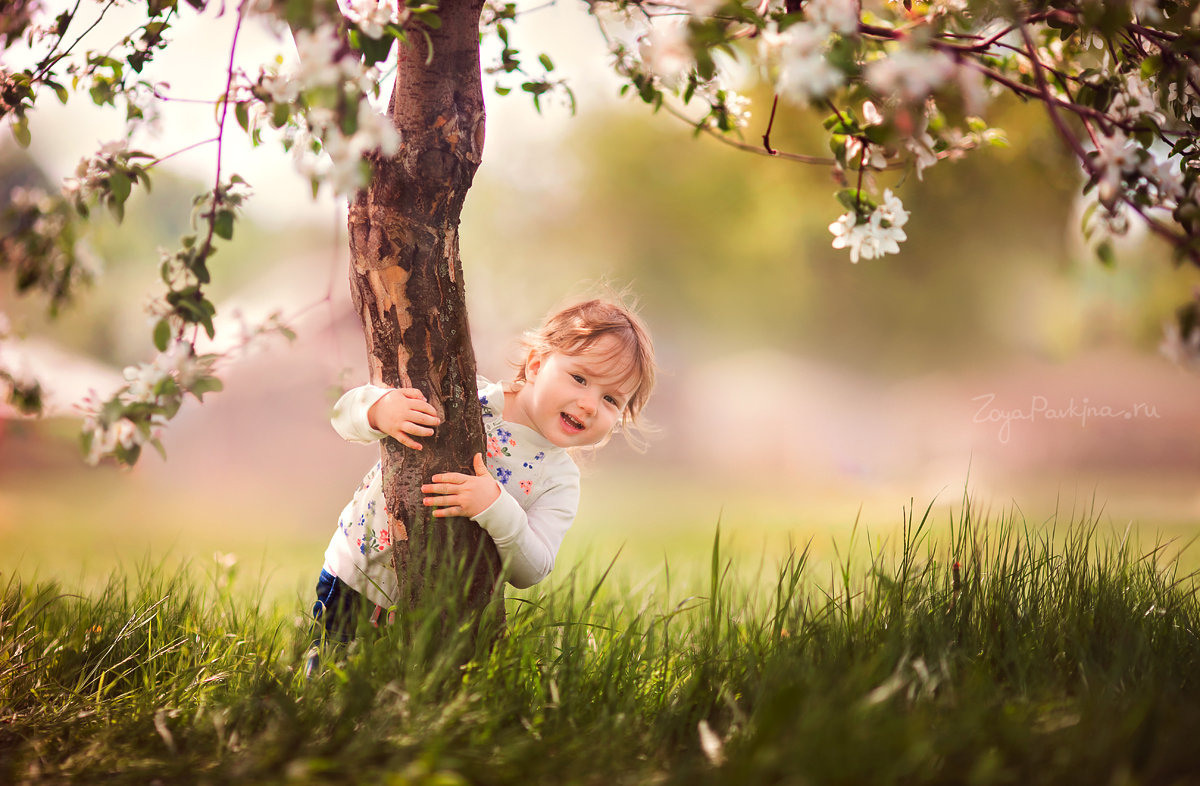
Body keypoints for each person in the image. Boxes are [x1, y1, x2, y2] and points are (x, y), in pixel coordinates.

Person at [308, 298, 656, 653]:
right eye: (579, 378)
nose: (589, 404)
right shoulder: (466, 397)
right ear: (536, 365)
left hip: (445, 613)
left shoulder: (558, 480)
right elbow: (341, 414)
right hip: (356, 574)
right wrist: (380, 410)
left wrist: (495, 507)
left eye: (611, 399)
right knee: (329, 682)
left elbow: (532, 569)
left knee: (414, 697)